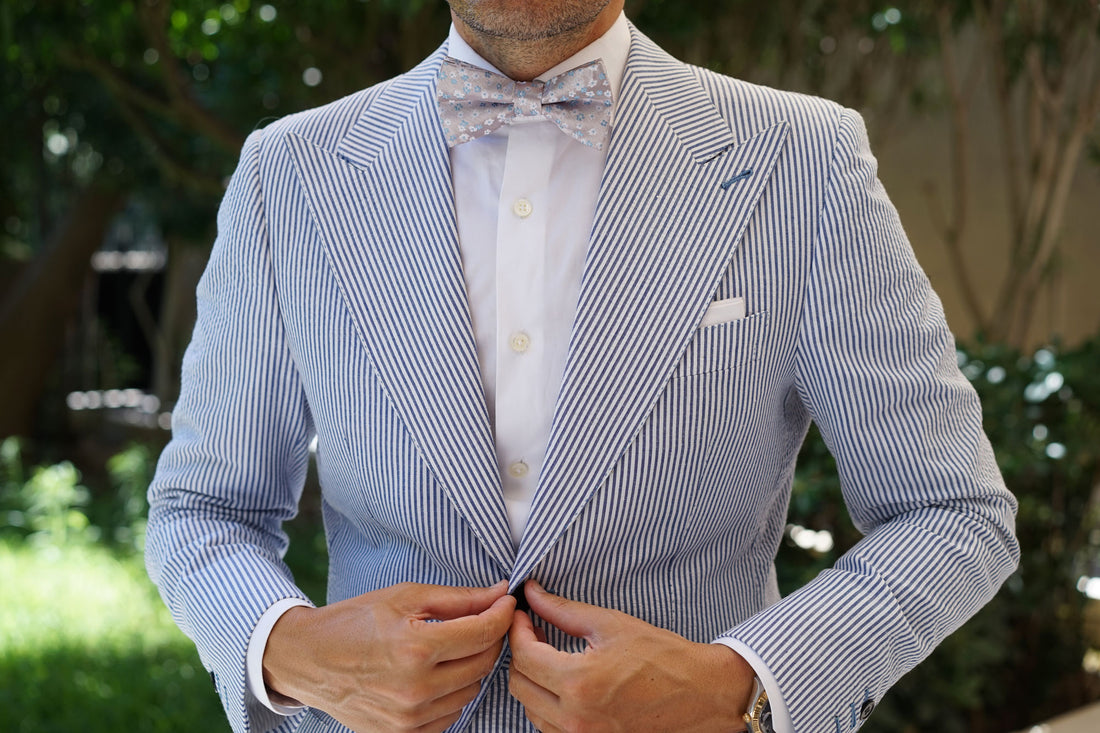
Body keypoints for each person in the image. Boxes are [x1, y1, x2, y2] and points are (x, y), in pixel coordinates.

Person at [145, 1, 1020, 731]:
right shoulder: (289, 174)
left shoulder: (804, 161)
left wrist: (741, 684)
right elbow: (203, 508)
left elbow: (951, 510)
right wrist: (289, 649)